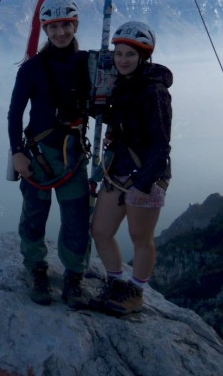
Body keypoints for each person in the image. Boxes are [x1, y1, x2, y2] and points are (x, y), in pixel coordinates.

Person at [7, 0, 91, 307]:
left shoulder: (88, 64)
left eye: (66, 25)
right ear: (45, 29)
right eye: (54, 27)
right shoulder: (31, 69)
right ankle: (36, 269)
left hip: (72, 154)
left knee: (77, 220)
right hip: (38, 154)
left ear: (75, 25)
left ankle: (74, 276)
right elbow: (15, 113)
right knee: (34, 216)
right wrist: (17, 152)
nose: (60, 33)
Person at [91, 21, 173, 315]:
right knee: (100, 231)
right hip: (119, 170)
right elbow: (119, 121)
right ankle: (116, 284)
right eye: (119, 53)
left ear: (143, 57)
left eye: (130, 55)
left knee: (140, 238)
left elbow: (161, 144)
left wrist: (143, 184)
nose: (122, 59)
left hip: (145, 175)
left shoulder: (155, 92)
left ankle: (136, 293)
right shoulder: (122, 85)